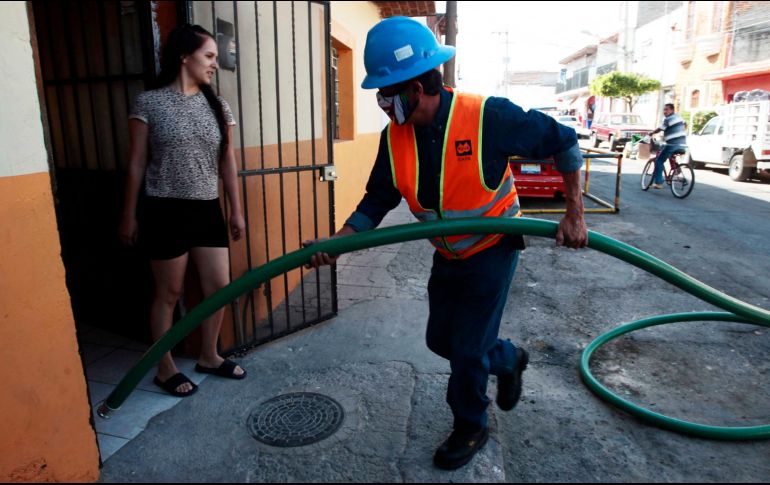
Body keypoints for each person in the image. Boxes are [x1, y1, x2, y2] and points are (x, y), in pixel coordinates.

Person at [304, 17, 587, 470]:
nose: (383, 102)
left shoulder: (486, 115)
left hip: (494, 248)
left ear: (419, 85)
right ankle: (509, 358)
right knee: (442, 340)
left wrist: (574, 213)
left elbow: (564, 140)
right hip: (448, 252)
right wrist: (335, 244)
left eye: (389, 92)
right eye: (380, 93)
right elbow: (376, 200)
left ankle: (470, 425)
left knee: (467, 350)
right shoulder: (394, 138)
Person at [119, 24, 246, 397]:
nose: (214, 65)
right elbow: (137, 163)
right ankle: (164, 366)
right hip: (164, 209)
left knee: (219, 287)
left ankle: (209, 354)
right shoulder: (149, 103)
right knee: (169, 293)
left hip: (207, 209)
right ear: (183, 56)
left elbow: (227, 161)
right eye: (209, 56)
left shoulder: (218, 105)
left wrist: (235, 210)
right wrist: (128, 215)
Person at [648, 103, 688, 189]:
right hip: (683, 145)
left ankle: (658, 182)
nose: (665, 112)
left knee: (659, 160)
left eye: (667, 109)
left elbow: (660, 129)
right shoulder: (679, 117)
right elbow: (685, 124)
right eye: (664, 110)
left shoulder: (668, 119)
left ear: (672, 110)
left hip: (672, 144)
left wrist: (652, 133)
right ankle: (676, 168)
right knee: (668, 153)